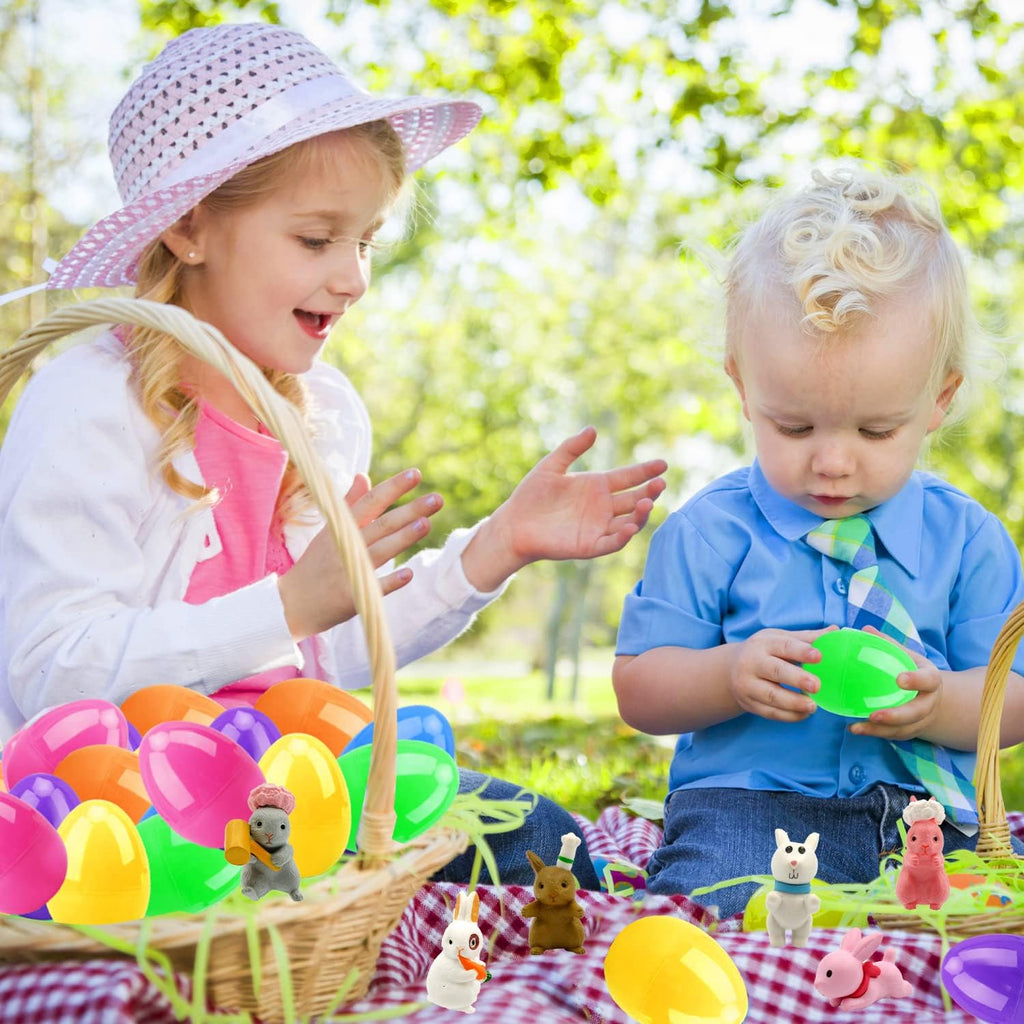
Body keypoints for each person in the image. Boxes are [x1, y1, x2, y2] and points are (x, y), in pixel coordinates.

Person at [0, 23, 667, 889]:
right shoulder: (90, 403)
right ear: (191, 228)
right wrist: (285, 605)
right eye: (317, 241)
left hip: (294, 792)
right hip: (116, 818)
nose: (353, 278)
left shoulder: (323, 418)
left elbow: (335, 657)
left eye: (366, 242)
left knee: (539, 835)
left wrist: (496, 547)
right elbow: (52, 669)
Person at [613, 166, 1024, 919]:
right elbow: (640, 688)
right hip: (749, 807)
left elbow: (1013, 700)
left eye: (875, 430)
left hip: (927, 818)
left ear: (938, 400)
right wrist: (729, 674)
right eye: (794, 426)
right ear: (743, 388)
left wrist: (939, 709)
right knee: (722, 911)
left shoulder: (969, 542)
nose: (832, 461)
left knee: (991, 921)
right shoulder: (710, 532)